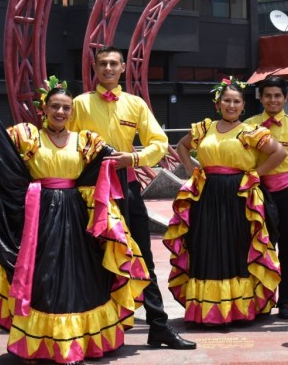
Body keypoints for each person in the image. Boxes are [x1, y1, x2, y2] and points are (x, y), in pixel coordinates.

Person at [0, 81, 150, 364]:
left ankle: (79, 343)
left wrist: (136, 157)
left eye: (66, 107)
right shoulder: (26, 136)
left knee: (83, 278)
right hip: (38, 219)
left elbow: (111, 159)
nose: (61, 112)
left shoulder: (86, 141)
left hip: (77, 218)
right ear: (44, 110)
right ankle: (39, 344)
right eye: (55, 106)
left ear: (71, 112)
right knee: (43, 279)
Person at [68, 46, 196, 350]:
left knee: (143, 257)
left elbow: (159, 142)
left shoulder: (135, 104)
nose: (109, 68)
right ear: (95, 69)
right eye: (103, 64)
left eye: (114, 63)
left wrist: (134, 159)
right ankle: (96, 328)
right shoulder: (79, 104)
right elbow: (66, 142)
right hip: (90, 194)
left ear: (124, 67)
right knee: (94, 258)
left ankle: (158, 326)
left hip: (127, 190)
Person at [164, 77, 287, 325]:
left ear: (243, 106)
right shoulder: (205, 128)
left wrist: (254, 174)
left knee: (237, 248)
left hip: (238, 197)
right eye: (227, 101)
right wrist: (191, 169)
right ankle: (207, 308)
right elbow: (182, 145)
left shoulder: (251, 131)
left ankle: (238, 308)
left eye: (236, 102)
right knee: (206, 247)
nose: (231, 105)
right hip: (206, 195)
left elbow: (279, 152)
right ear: (218, 103)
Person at [244, 75, 288, 320]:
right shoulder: (249, 125)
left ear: (286, 98)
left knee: (287, 247)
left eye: (277, 96)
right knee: (258, 245)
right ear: (260, 98)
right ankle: (260, 299)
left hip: (286, 193)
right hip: (256, 191)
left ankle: (285, 301)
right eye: (268, 96)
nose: (273, 100)